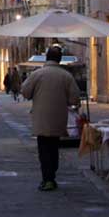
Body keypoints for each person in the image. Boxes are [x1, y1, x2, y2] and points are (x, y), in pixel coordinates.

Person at [21, 46, 80, 192]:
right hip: (58, 118)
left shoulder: (37, 74)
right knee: (54, 147)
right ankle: (51, 175)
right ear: (60, 59)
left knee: (43, 148)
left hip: (41, 117)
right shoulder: (66, 76)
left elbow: (25, 92)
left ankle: (47, 179)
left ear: (46, 58)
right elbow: (74, 98)